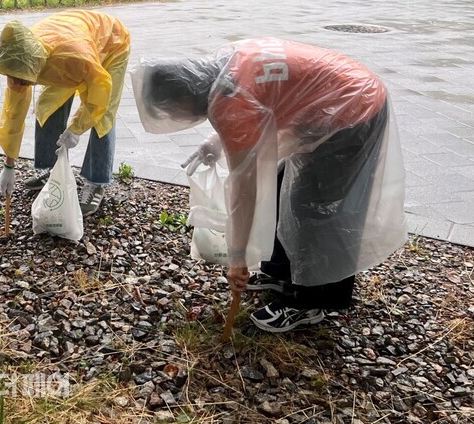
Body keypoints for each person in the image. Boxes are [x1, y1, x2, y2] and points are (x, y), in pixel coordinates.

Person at [133, 38, 406, 333]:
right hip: (336, 96)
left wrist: (237, 259)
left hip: (354, 110)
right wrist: (214, 144)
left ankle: (310, 302)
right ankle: (280, 271)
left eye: (173, 111)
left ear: (183, 96)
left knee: (316, 208)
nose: (178, 118)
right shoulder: (222, 65)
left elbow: (244, 188)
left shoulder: (231, 99)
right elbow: (256, 106)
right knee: (280, 186)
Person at [0, 10, 131, 216]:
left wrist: (76, 128)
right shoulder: (19, 59)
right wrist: (9, 165)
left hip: (112, 43)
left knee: (103, 117)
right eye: (14, 77)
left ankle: (96, 182)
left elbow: (98, 95)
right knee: (48, 106)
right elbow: (14, 114)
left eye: (23, 78)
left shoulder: (72, 58)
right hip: (70, 43)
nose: (18, 83)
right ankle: (51, 171)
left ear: (35, 65)